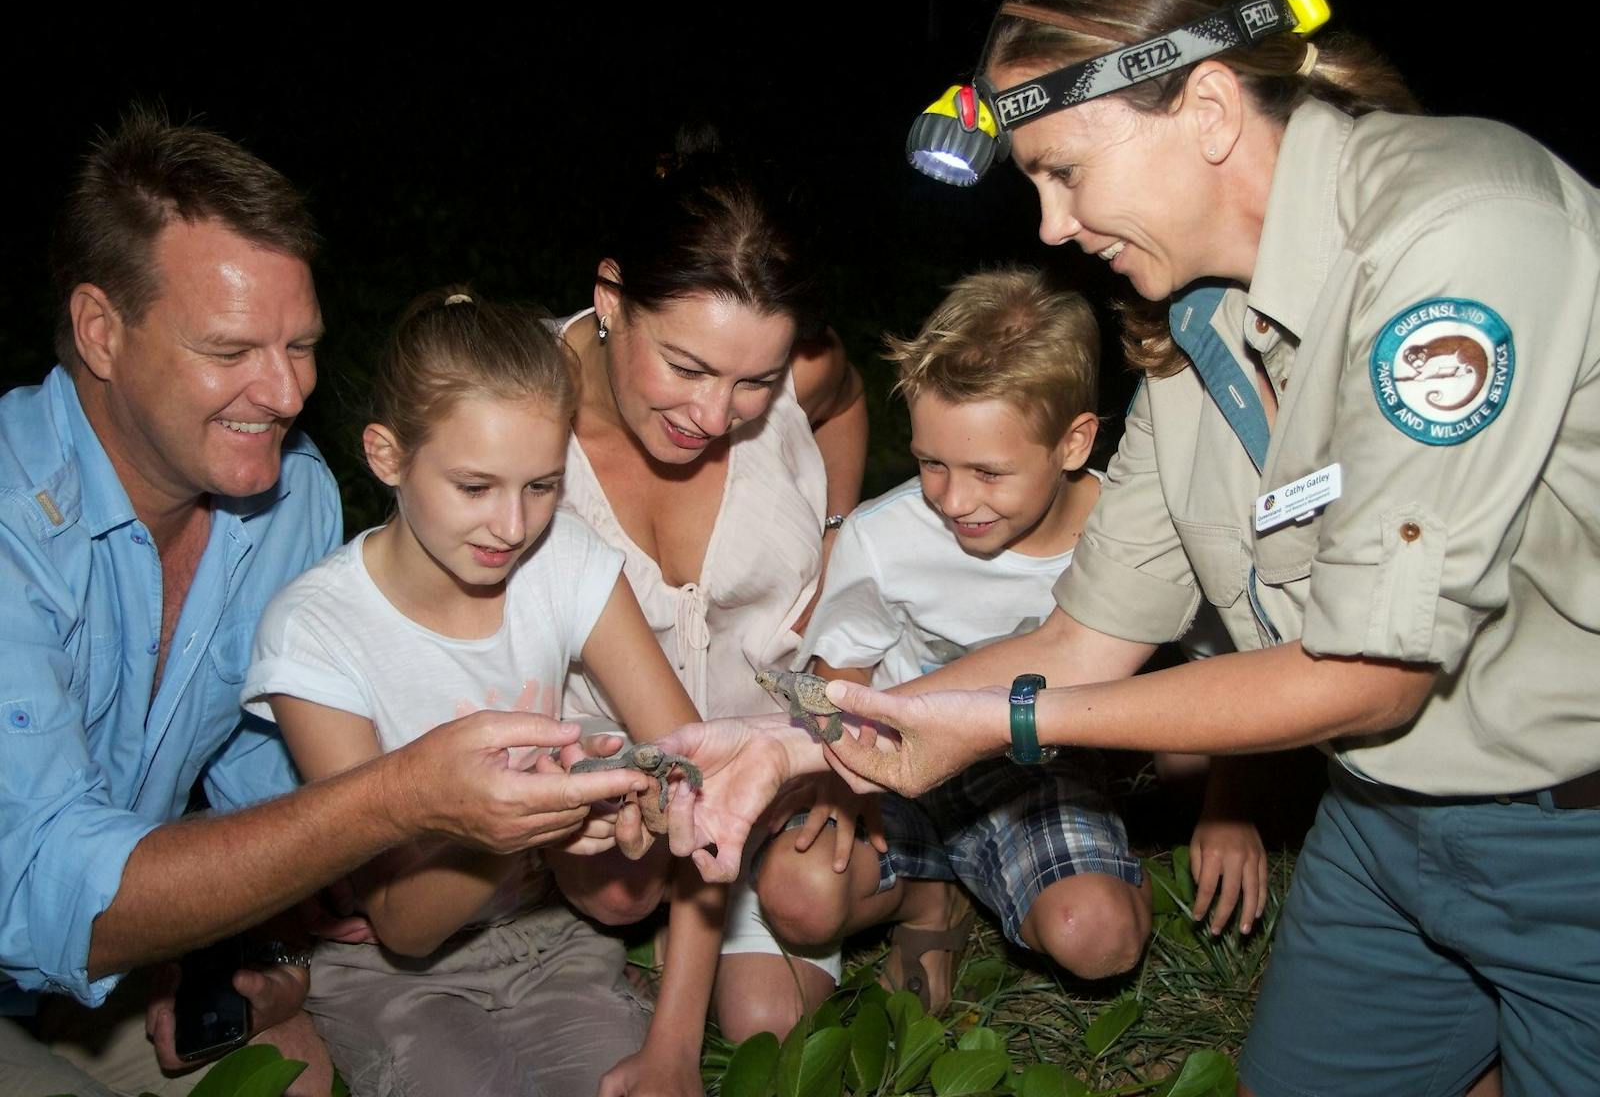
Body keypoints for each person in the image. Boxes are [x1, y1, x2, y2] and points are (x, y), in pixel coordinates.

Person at [666, 0, 1598, 1095]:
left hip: (1573, 843)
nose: (1049, 223)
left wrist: (1003, 725)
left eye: (1062, 171)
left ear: (1206, 109)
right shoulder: (1196, 330)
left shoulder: (1460, 239)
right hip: (1385, 824)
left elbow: (1367, 669)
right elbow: (1083, 639)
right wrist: (795, 736)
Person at [0, 109, 643, 1097]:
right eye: (231, 350)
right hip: (40, 934)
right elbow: (41, 888)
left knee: (290, 1069)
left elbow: (273, 794)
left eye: (300, 345)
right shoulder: (13, 527)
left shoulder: (287, 493)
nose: (286, 390)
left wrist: (277, 948)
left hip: (129, 970)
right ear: (101, 330)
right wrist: (395, 801)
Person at [756, 268, 1267, 1020]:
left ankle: (1035, 877)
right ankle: (931, 903)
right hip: (896, 755)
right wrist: (838, 784)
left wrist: (1229, 806)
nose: (955, 500)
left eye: (989, 472)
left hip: (1034, 767)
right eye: (932, 462)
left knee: (1098, 937)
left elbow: (1228, 678)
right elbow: (843, 671)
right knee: (797, 894)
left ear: (1074, 441)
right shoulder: (884, 537)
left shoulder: (1141, 542)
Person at [241, 290, 699, 1095]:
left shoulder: (563, 559)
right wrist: (543, 812)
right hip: (388, 971)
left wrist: (674, 1048)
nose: (513, 527)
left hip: (550, 937)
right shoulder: (314, 632)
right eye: (475, 487)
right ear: (387, 457)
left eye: (541, 485)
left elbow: (699, 772)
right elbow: (404, 924)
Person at [553, 140, 869, 1044]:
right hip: (636, 793)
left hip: (788, 737)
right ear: (611, 299)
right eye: (687, 368)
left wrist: (840, 536)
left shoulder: (798, 374)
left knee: (770, 1021)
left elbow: (844, 402)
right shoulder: (514, 412)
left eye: (753, 382)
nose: (713, 414)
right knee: (620, 889)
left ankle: (929, 889)